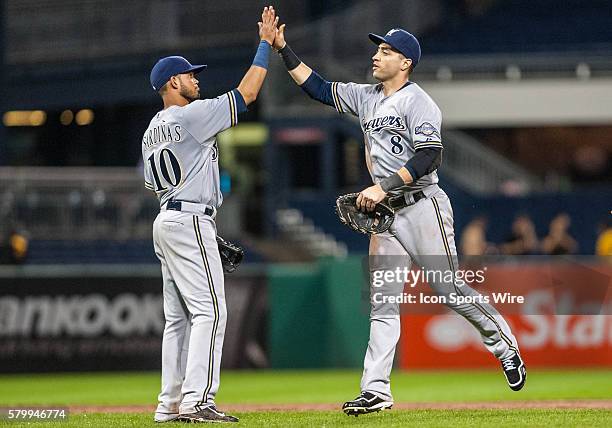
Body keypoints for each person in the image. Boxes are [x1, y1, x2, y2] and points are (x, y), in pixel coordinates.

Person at [272, 24, 526, 416]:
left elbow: (429, 157)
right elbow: (318, 88)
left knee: (450, 290)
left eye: (387, 51)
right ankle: (376, 390)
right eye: (378, 50)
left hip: (422, 205)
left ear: (406, 62)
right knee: (383, 303)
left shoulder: (418, 102)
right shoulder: (366, 97)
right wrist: (283, 47)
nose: (377, 56)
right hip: (386, 215)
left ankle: (504, 346)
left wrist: (383, 185)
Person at [143, 6, 278, 423]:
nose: (196, 79)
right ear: (172, 82)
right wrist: (265, 45)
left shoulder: (151, 128)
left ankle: (168, 405)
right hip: (189, 220)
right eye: (189, 74)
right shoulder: (191, 115)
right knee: (212, 310)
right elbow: (247, 95)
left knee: (177, 319)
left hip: (166, 219)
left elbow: (157, 185)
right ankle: (197, 400)